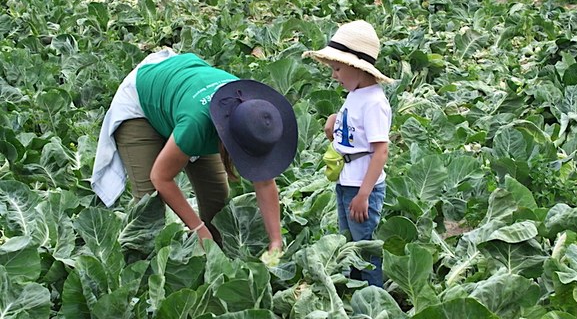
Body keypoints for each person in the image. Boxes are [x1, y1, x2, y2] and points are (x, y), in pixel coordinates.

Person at [91, 48, 298, 251]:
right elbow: (161, 177)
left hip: (183, 92)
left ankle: (215, 261)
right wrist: (198, 228)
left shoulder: (254, 113)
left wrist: (276, 241)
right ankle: (145, 270)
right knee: (149, 206)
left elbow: (264, 181)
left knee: (217, 200)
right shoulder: (197, 125)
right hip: (142, 100)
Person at [302, 20, 393, 287]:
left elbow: (381, 151)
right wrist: (331, 127)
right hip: (346, 181)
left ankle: (375, 295)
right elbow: (350, 139)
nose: (334, 75)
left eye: (337, 69)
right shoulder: (355, 94)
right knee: (349, 242)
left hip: (362, 188)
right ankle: (354, 288)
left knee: (365, 247)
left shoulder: (374, 102)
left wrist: (364, 194)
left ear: (357, 67)